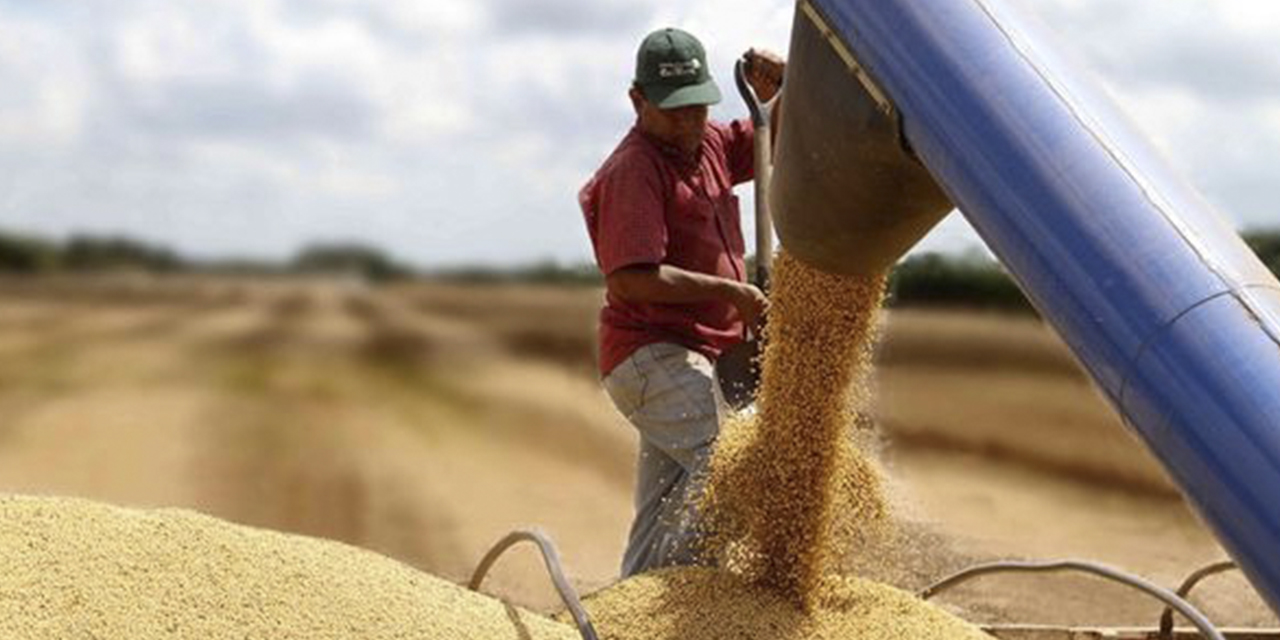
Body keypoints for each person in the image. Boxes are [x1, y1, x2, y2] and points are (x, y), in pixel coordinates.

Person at [578, 27, 785, 577]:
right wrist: (731, 292)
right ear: (637, 101)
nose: (690, 123)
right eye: (674, 112)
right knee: (733, 470)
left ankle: (631, 613)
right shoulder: (634, 170)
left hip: (698, 360)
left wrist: (789, 81)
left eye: (698, 107)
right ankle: (690, 607)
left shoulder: (710, 142)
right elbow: (632, 280)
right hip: (652, 356)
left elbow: (773, 135)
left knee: (663, 510)